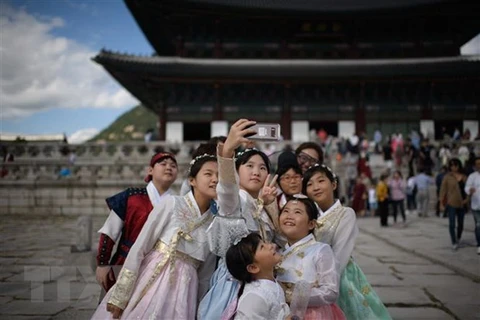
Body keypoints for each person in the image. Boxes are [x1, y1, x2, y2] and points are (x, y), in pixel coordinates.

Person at [91, 153, 218, 319]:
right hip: (151, 277)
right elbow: (140, 247)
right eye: (208, 174)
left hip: (186, 290)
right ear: (191, 180)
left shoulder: (215, 223)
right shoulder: (171, 203)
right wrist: (121, 295)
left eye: (220, 176)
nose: (215, 180)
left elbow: (205, 274)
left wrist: (199, 310)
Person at [198, 119, 281, 320]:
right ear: (236, 171)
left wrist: (268, 204)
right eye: (249, 165)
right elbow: (227, 190)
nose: (256, 172)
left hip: (262, 283)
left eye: (263, 168)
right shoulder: (235, 201)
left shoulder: (260, 205)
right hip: (234, 284)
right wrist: (226, 153)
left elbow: (277, 241)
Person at [302, 164, 391, 319]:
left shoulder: (346, 214)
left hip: (339, 276)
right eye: (309, 184)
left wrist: (325, 283)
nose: (315, 187)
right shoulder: (308, 214)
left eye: (321, 181)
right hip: (310, 276)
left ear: (334, 184)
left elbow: (340, 254)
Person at [95, 152, 178, 297]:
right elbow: (110, 231)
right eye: (163, 164)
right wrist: (103, 263)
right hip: (125, 261)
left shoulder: (178, 202)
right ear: (150, 170)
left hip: (160, 266)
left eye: (173, 165)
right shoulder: (131, 197)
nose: (168, 167)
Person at [276, 195, 346, 319]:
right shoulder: (276, 253)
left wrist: (291, 295)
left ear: (311, 224)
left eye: (297, 212)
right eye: (285, 211)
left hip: (312, 314)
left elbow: (330, 291)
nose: (289, 216)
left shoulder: (321, 250)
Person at [224, 233, 290, 320]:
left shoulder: (272, 284)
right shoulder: (254, 297)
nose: (271, 246)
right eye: (262, 247)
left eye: (265, 243)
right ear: (253, 267)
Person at [439, 158, 468, 251]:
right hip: (451, 202)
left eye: (455, 165)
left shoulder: (464, 177)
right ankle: (454, 241)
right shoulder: (447, 177)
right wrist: (441, 203)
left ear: (459, 166)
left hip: (462, 202)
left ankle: (458, 237)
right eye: (451, 166)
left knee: (461, 223)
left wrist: (467, 199)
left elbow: (468, 190)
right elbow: (442, 190)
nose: (453, 167)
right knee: (452, 223)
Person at [465, 156, 480, 255]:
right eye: (478, 163)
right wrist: (469, 190)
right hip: (476, 205)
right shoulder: (472, 176)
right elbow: (467, 187)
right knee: (478, 225)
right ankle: (479, 244)